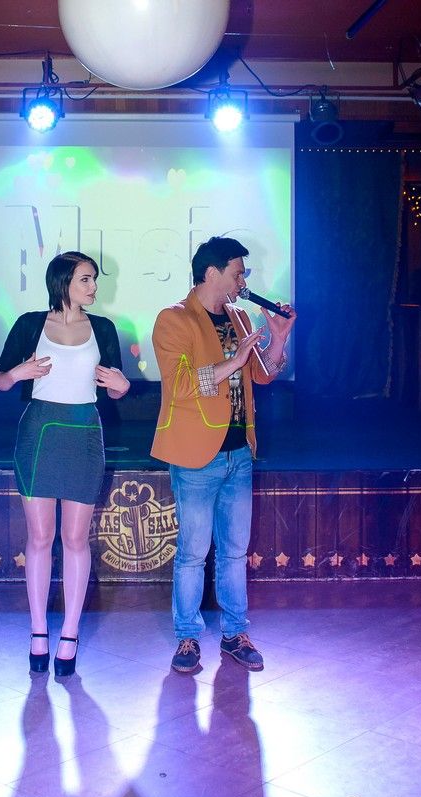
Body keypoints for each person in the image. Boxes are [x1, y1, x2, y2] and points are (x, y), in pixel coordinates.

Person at [151, 236, 296, 673]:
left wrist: (277, 339)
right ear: (212, 272)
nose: (243, 281)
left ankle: (235, 634)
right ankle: (187, 638)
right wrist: (235, 360)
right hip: (196, 455)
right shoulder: (175, 318)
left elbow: (263, 375)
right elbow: (180, 386)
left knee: (234, 552)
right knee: (193, 553)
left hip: (239, 452)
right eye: (238, 272)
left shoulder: (238, 316)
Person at [0, 251, 130, 676]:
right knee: (40, 536)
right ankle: (38, 630)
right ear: (63, 282)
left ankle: (69, 632)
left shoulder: (103, 329)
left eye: (94, 279)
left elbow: (115, 387)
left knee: (74, 538)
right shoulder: (30, 324)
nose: (93, 287)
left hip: (84, 432)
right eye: (85, 279)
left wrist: (122, 386)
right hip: (39, 432)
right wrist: (18, 373)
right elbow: (0, 381)